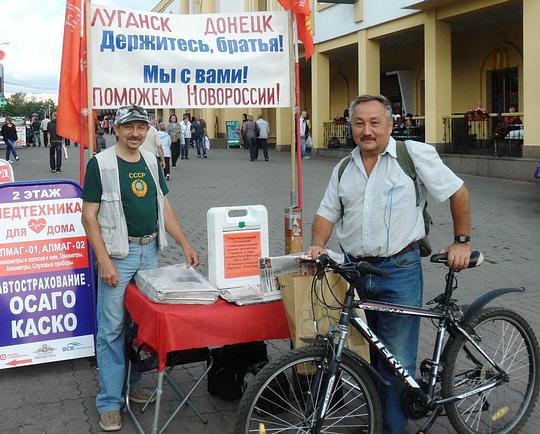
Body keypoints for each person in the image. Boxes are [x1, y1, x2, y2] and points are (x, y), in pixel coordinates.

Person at [307, 94, 472, 434]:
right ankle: (380, 416)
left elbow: (458, 191)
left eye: (374, 123)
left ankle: (392, 429)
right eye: (359, 123)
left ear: (390, 125)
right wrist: (317, 245)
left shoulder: (411, 155)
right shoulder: (343, 168)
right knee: (371, 358)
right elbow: (326, 212)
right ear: (350, 126)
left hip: (399, 271)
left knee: (397, 363)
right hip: (355, 272)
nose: (367, 131)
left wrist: (462, 242)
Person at [81, 105, 200, 432]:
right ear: (116, 129)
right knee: (112, 330)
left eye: (141, 127)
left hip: (150, 253)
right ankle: (109, 401)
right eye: (129, 127)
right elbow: (88, 217)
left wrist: (186, 244)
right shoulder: (100, 164)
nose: (136, 133)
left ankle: (133, 387)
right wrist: (103, 260)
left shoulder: (150, 160)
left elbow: (165, 206)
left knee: (139, 327)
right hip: (120, 255)